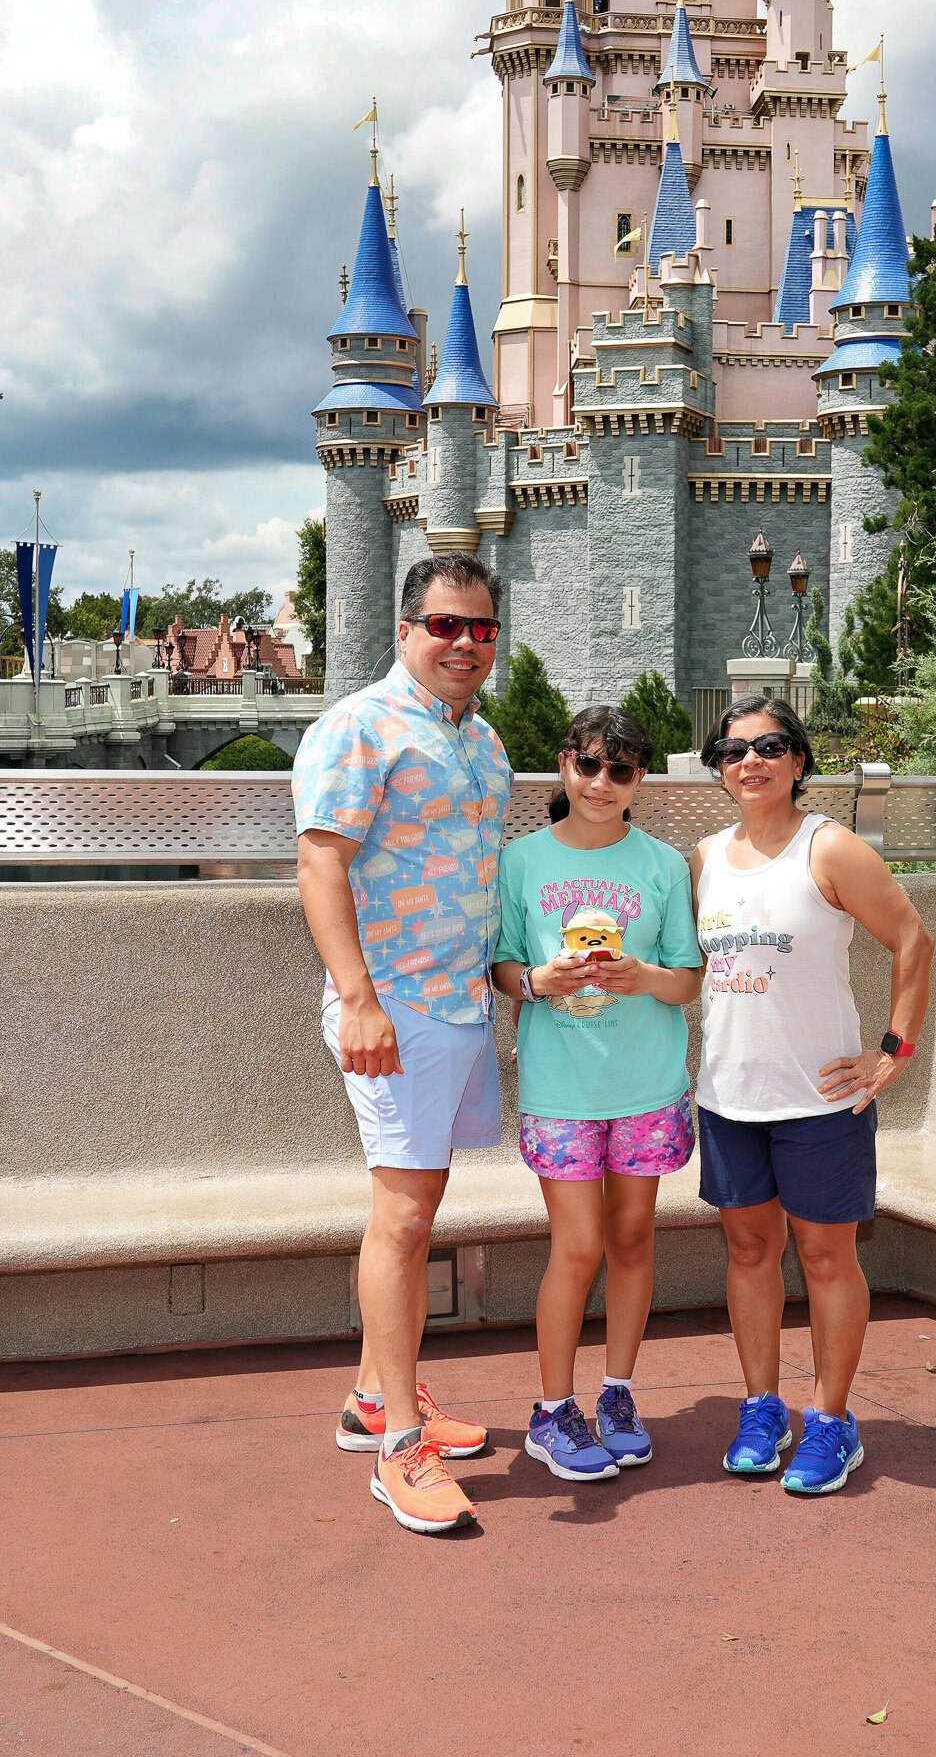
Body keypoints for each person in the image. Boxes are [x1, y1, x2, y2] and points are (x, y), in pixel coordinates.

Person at [292, 554, 511, 1536]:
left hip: (458, 1004)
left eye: (480, 628)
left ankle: (377, 1396)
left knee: (415, 1208)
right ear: (406, 629)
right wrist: (358, 998)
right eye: (444, 625)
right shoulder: (358, 725)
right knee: (403, 1215)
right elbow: (320, 860)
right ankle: (395, 1454)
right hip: (394, 1008)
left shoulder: (483, 739)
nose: (462, 643)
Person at [691, 695, 934, 1497]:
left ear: (798, 759)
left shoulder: (829, 849)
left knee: (828, 1257)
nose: (749, 762)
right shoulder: (703, 859)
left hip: (821, 1100)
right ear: (719, 769)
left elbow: (911, 939)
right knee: (751, 1253)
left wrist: (893, 1051)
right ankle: (763, 1408)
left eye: (768, 746)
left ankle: (832, 1420)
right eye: (732, 751)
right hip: (729, 1095)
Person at [491, 707, 703, 1482]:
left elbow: (685, 978)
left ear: (640, 778)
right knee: (578, 1248)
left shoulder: (663, 866)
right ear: (564, 767)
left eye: (621, 770)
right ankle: (552, 1411)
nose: (601, 782)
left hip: (646, 1082)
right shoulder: (521, 862)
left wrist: (640, 977)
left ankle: (616, 1392)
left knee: (633, 1240)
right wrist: (538, 982)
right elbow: (503, 967)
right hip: (561, 1086)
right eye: (588, 765)